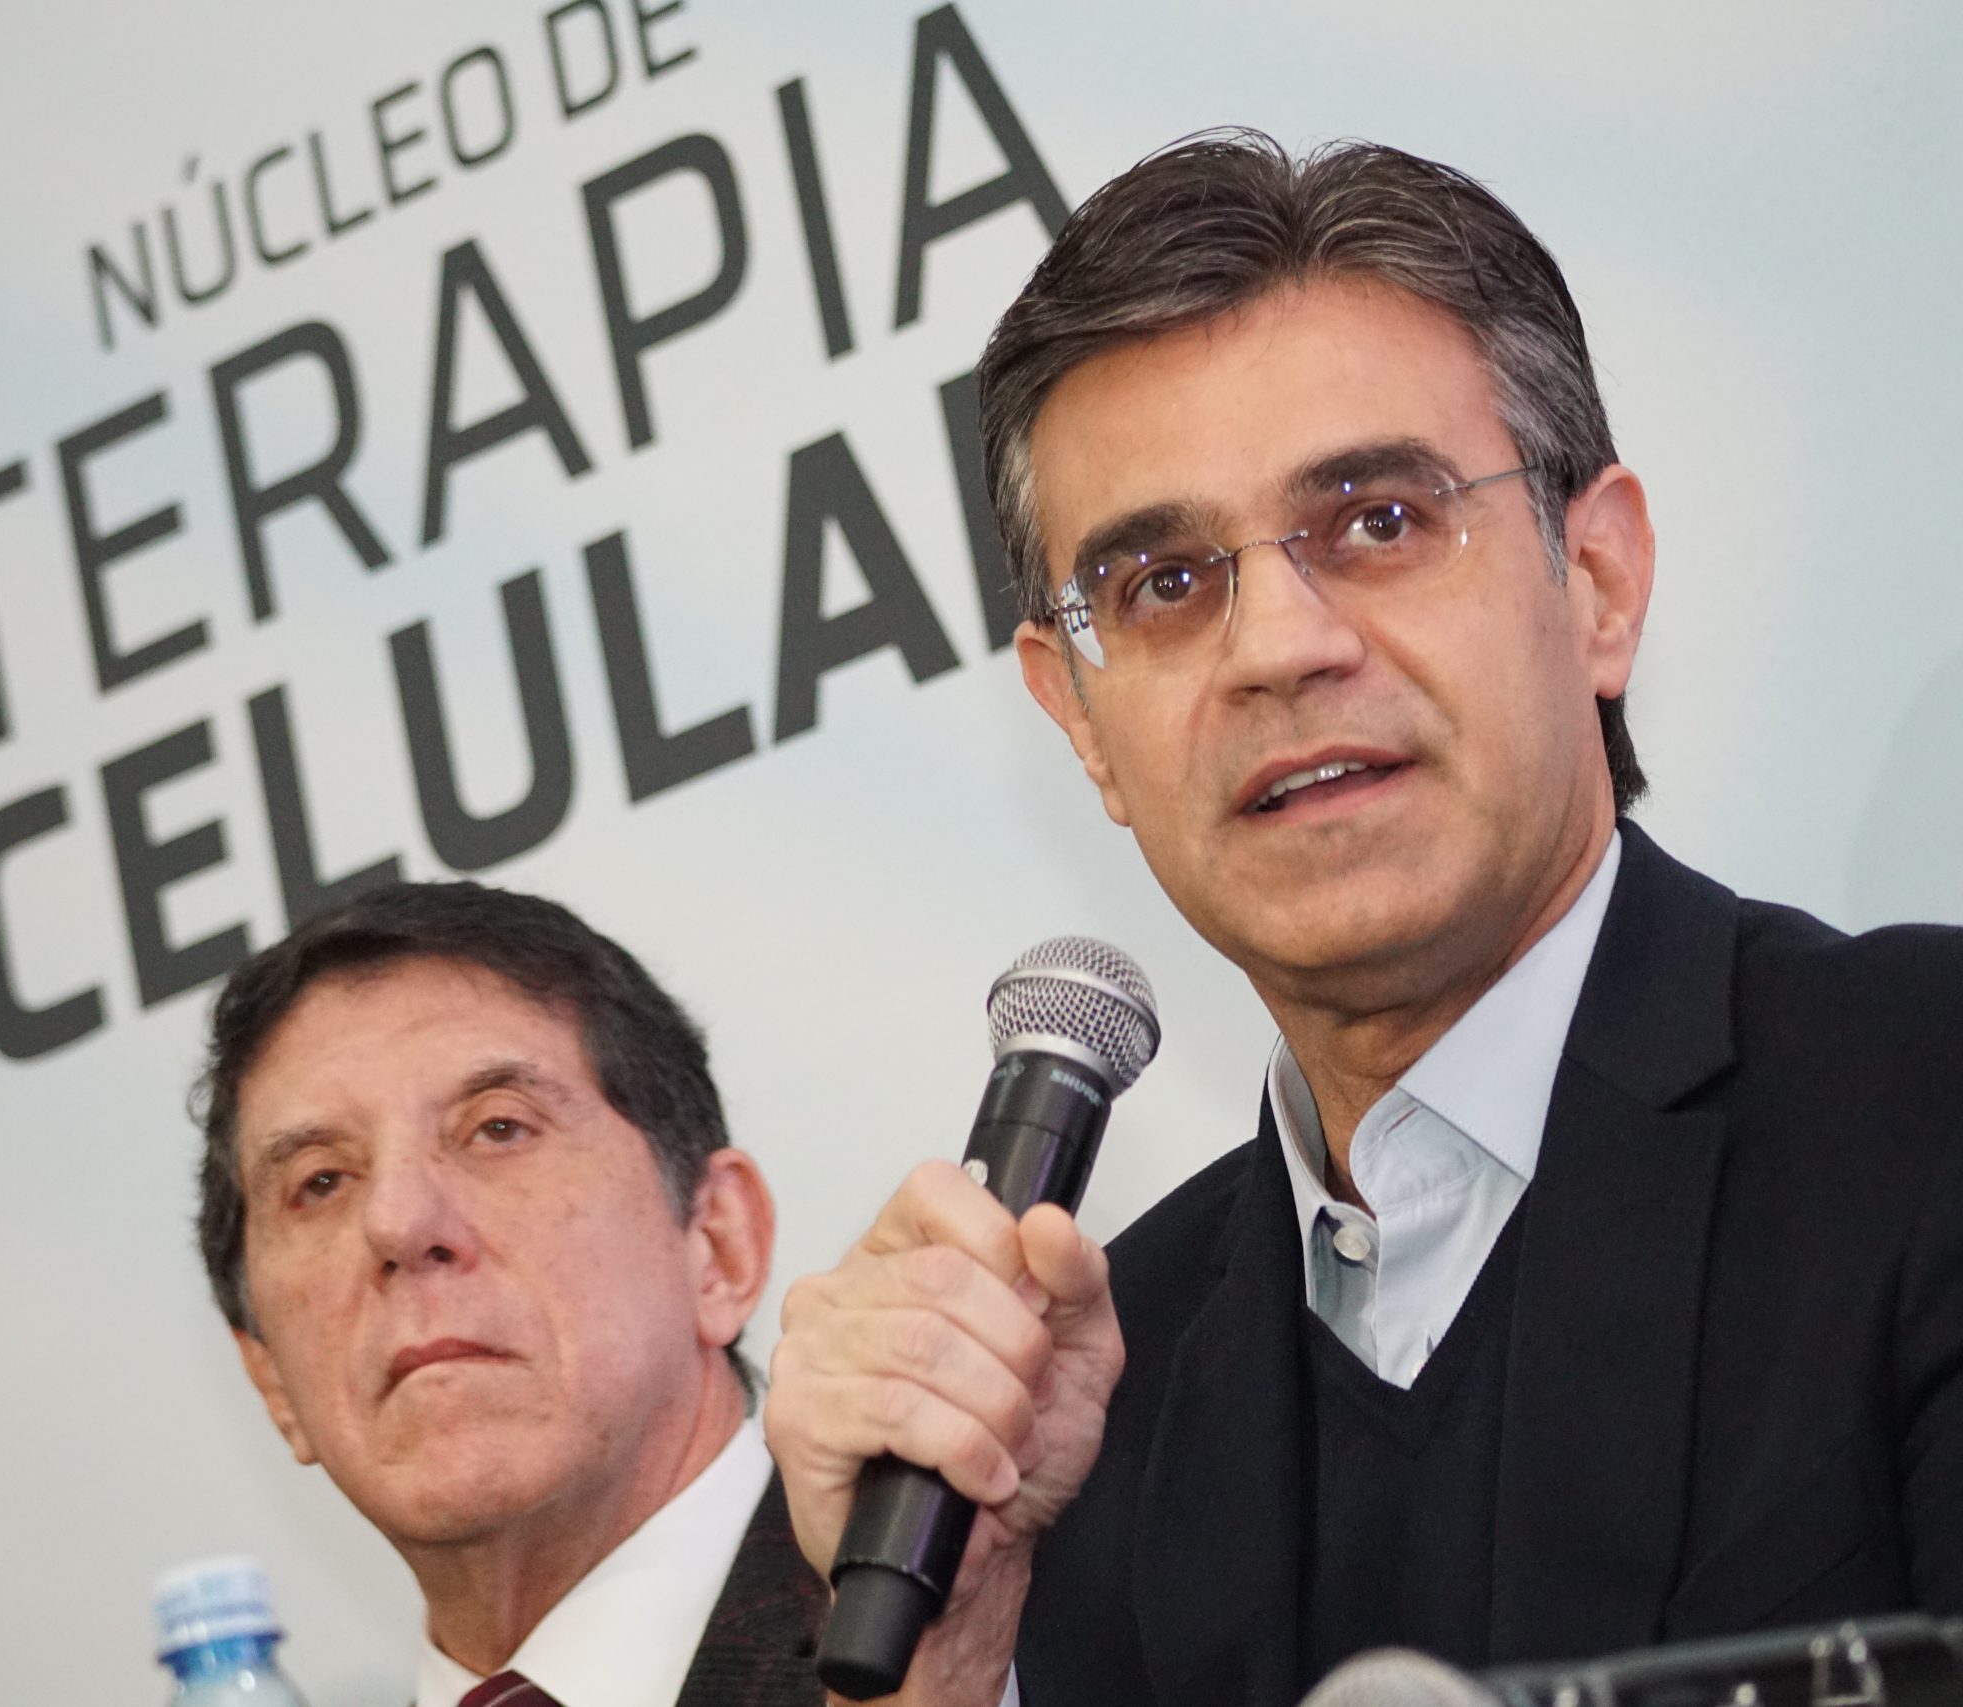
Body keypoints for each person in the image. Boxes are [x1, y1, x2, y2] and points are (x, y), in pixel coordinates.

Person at [762, 129, 1963, 1706]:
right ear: (1080, 723)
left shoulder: (1921, 1094)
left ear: (1598, 579)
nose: (1279, 644)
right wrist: (950, 1654)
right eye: (1165, 582)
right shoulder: (1071, 1406)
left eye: (1380, 520)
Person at [192, 880, 824, 1707]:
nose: (398, 1222)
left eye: (498, 1128)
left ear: (717, 1245)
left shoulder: (971, 1641)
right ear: (271, 1376)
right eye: (322, 1181)